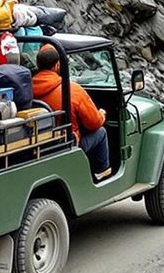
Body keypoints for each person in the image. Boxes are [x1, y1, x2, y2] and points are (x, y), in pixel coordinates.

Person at [31, 45, 111, 177]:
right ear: (57, 65)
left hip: (40, 144)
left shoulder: (27, 88)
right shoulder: (72, 90)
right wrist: (102, 114)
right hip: (67, 144)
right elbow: (94, 123)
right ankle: (101, 172)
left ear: (37, 63)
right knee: (101, 132)